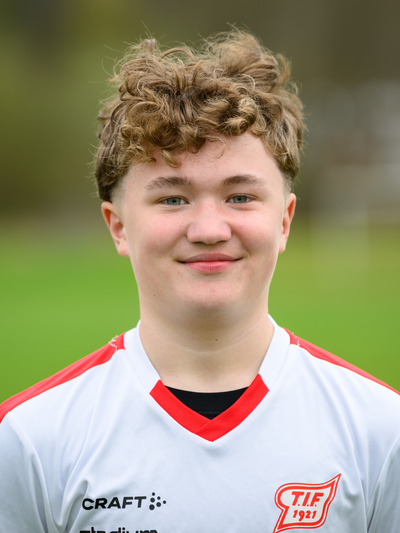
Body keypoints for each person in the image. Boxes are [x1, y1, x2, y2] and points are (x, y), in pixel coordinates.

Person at [0, 30, 399, 533]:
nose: (209, 230)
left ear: (284, 221)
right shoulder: (29, 439)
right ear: (118, 226)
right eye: (172, 199)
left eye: (240, 197)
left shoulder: (381, 430)